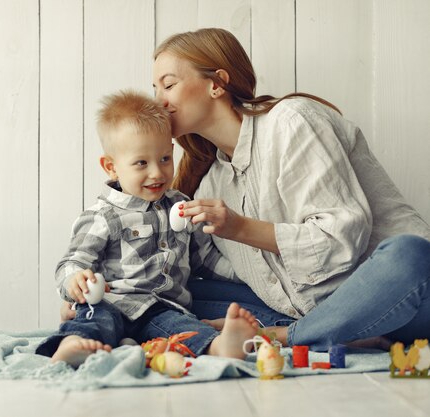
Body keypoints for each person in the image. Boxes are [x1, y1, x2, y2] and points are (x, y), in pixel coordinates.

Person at [148, 27, 430, 351]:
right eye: (155, 89)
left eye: (168, 85)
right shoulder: (212, 181)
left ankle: (288, 336)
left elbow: (339, 242)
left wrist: (239, 227)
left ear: (217, 84)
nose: (159, 101)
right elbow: (232, 272)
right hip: (313, 309)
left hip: (403, 293)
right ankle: (338, 332)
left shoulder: (291, 121)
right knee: (168, 295)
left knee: (410, 255)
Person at [36, 90, 260, 367]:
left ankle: (218, 346)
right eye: (141, 163)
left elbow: (204, 261)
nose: (157, 172)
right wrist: (75, 282)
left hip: (162, 308)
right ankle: (73, 346)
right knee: (94, 319)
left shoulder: (181, 206)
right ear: (111, 167)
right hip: (113, 301)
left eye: (165, 158)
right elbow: (72, 262)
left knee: (182, 328)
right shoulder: (102, 216)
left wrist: (248, 275)